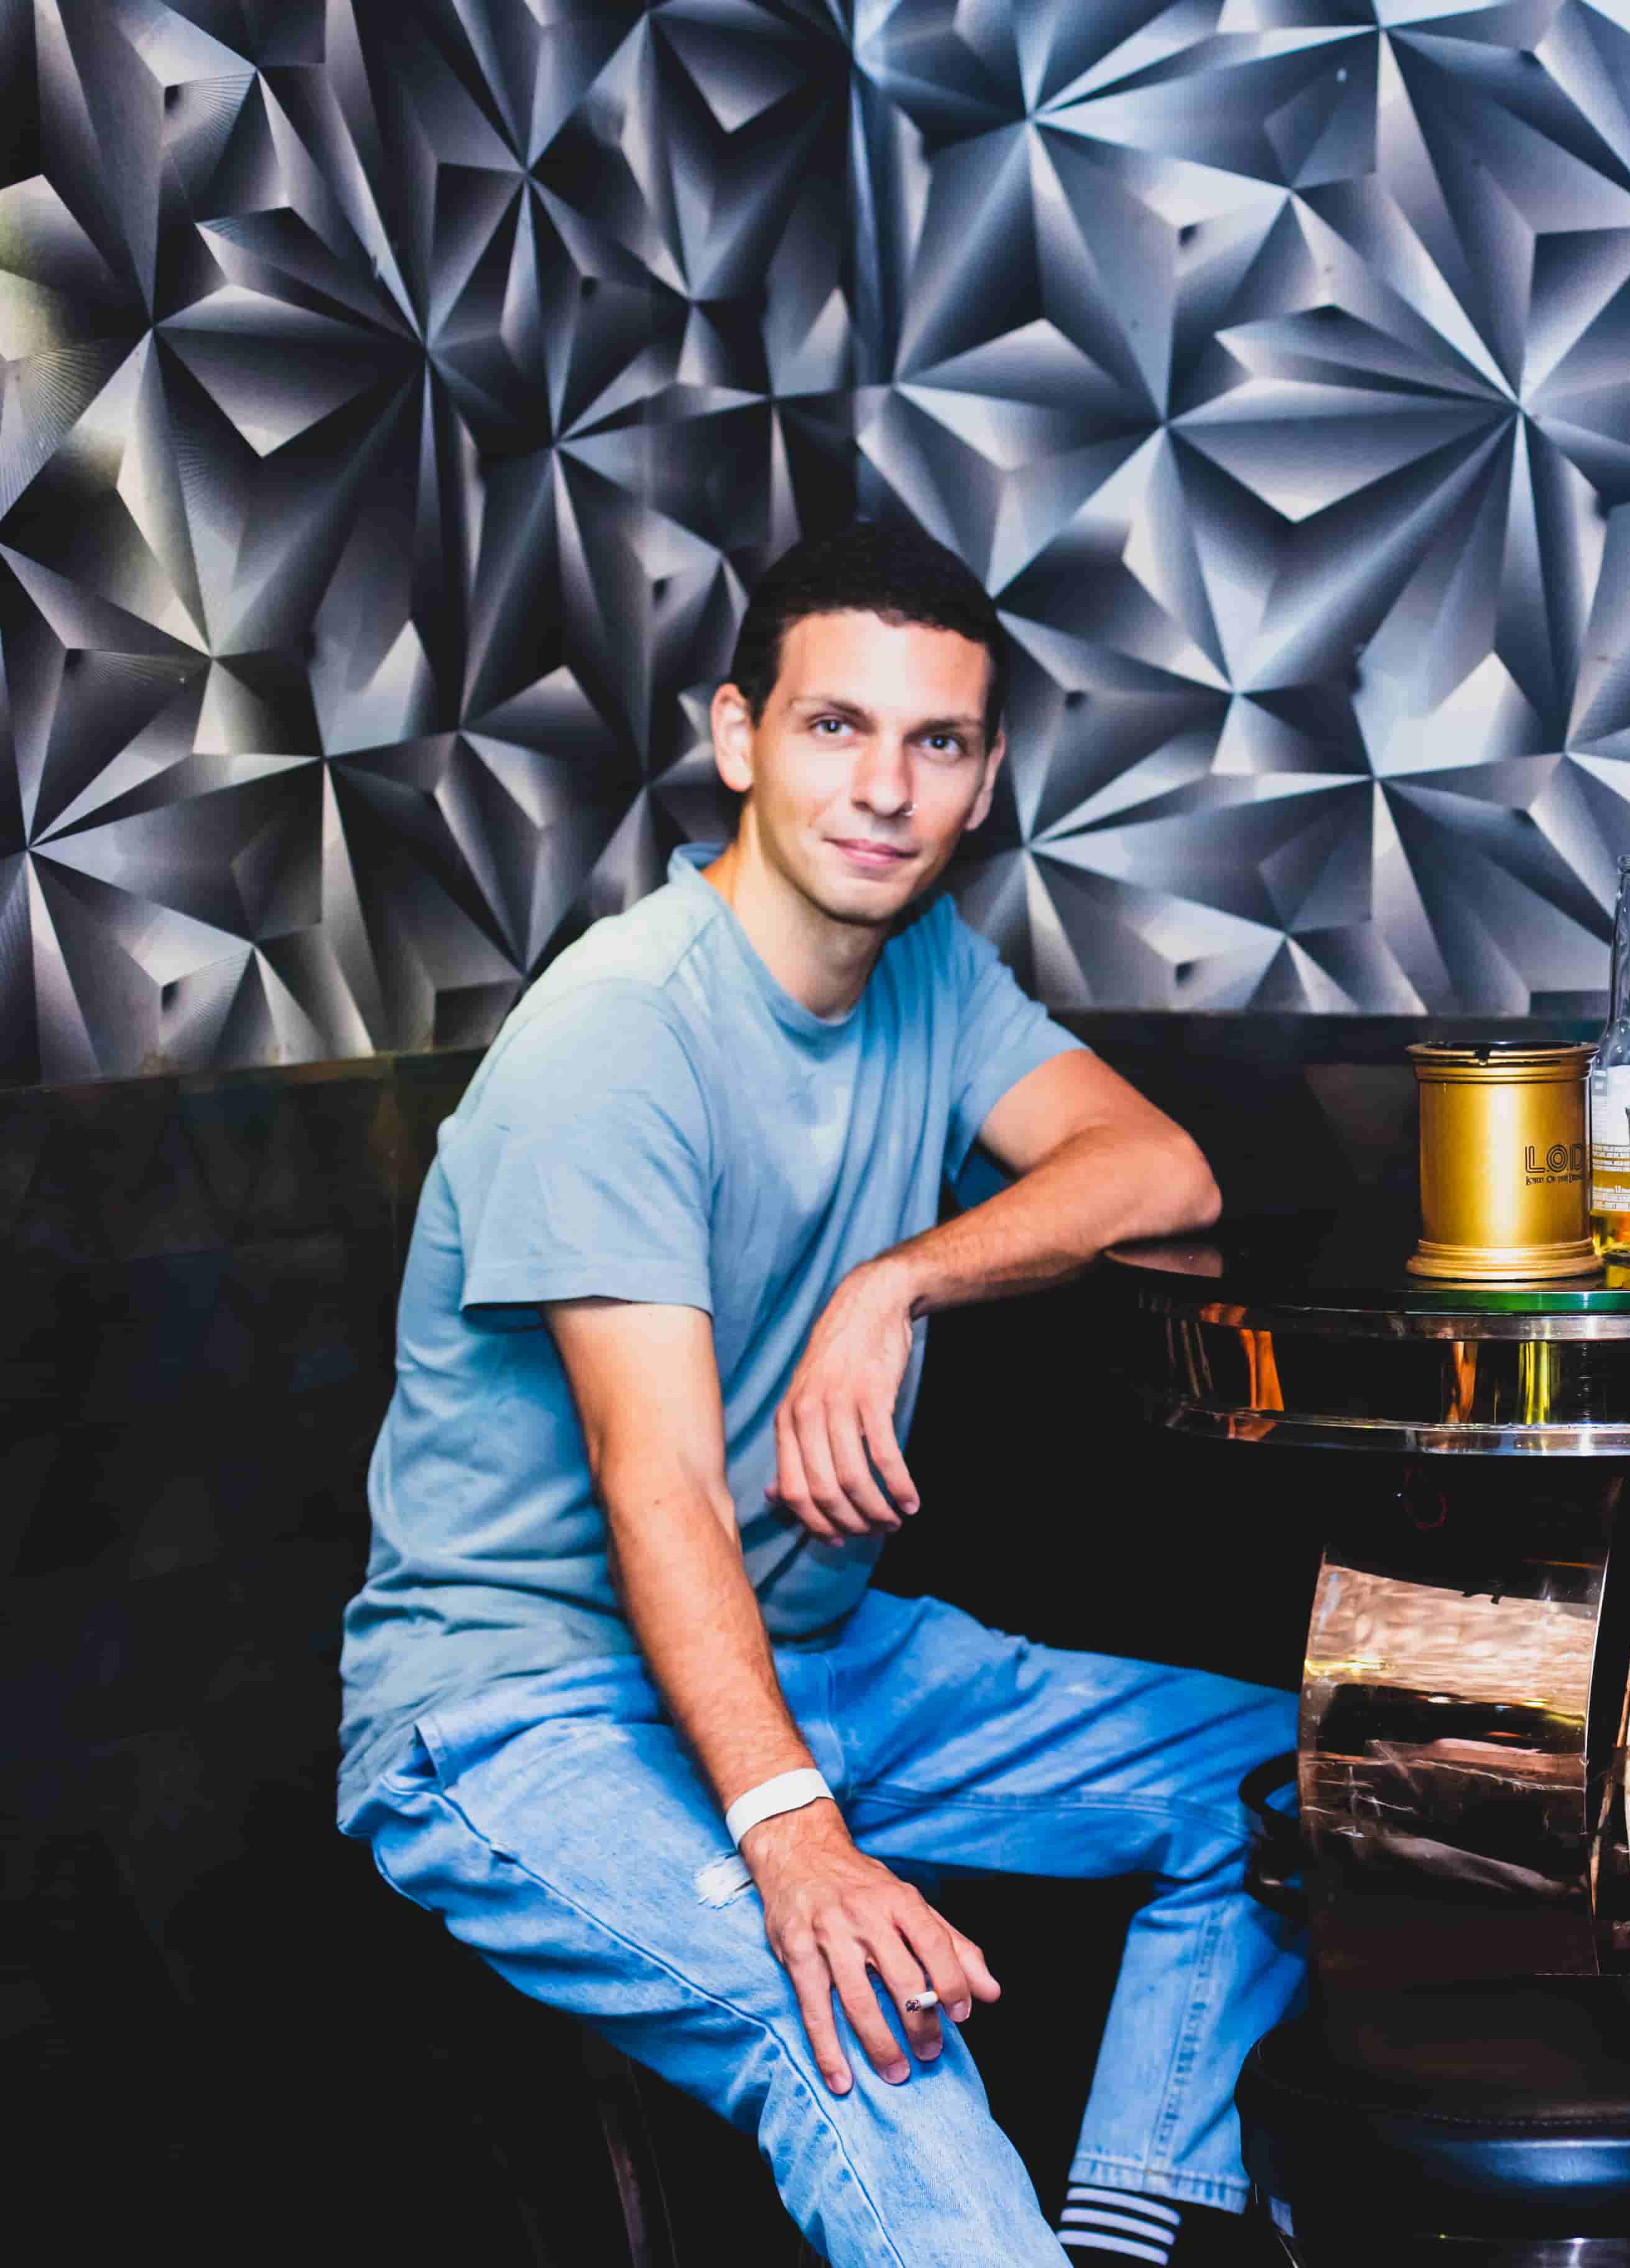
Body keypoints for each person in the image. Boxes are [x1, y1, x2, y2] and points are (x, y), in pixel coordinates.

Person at [337, 522, 1295, 2268]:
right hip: (526, 1714)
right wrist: (800, 1841)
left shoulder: (925, 969)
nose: (885, 789)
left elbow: (1161, 1174)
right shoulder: (620, 1033)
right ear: (739, 738)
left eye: (939, 742)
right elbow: (658, 1488)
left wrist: (898, 1278)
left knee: (1304, 1783)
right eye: (835, 726)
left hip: (816, 1660)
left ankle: (1129, 2232)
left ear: (986, 783)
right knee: (867, 2026)